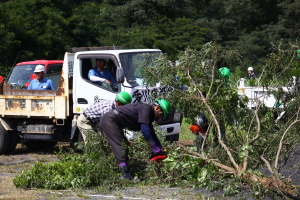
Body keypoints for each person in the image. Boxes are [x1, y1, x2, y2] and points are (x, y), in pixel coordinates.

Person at [100, 99, 172, 181]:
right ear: (158, 108)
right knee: (120, 146)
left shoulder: (148, 113)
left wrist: (160, 148)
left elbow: (151, 132)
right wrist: (154, 147)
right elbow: (145, 130)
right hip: (109, 120)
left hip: (114, 121)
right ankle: (125, 175)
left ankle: (126, 171)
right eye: (161, 115)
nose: (160, 118)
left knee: (125, 145)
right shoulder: (146, 109)